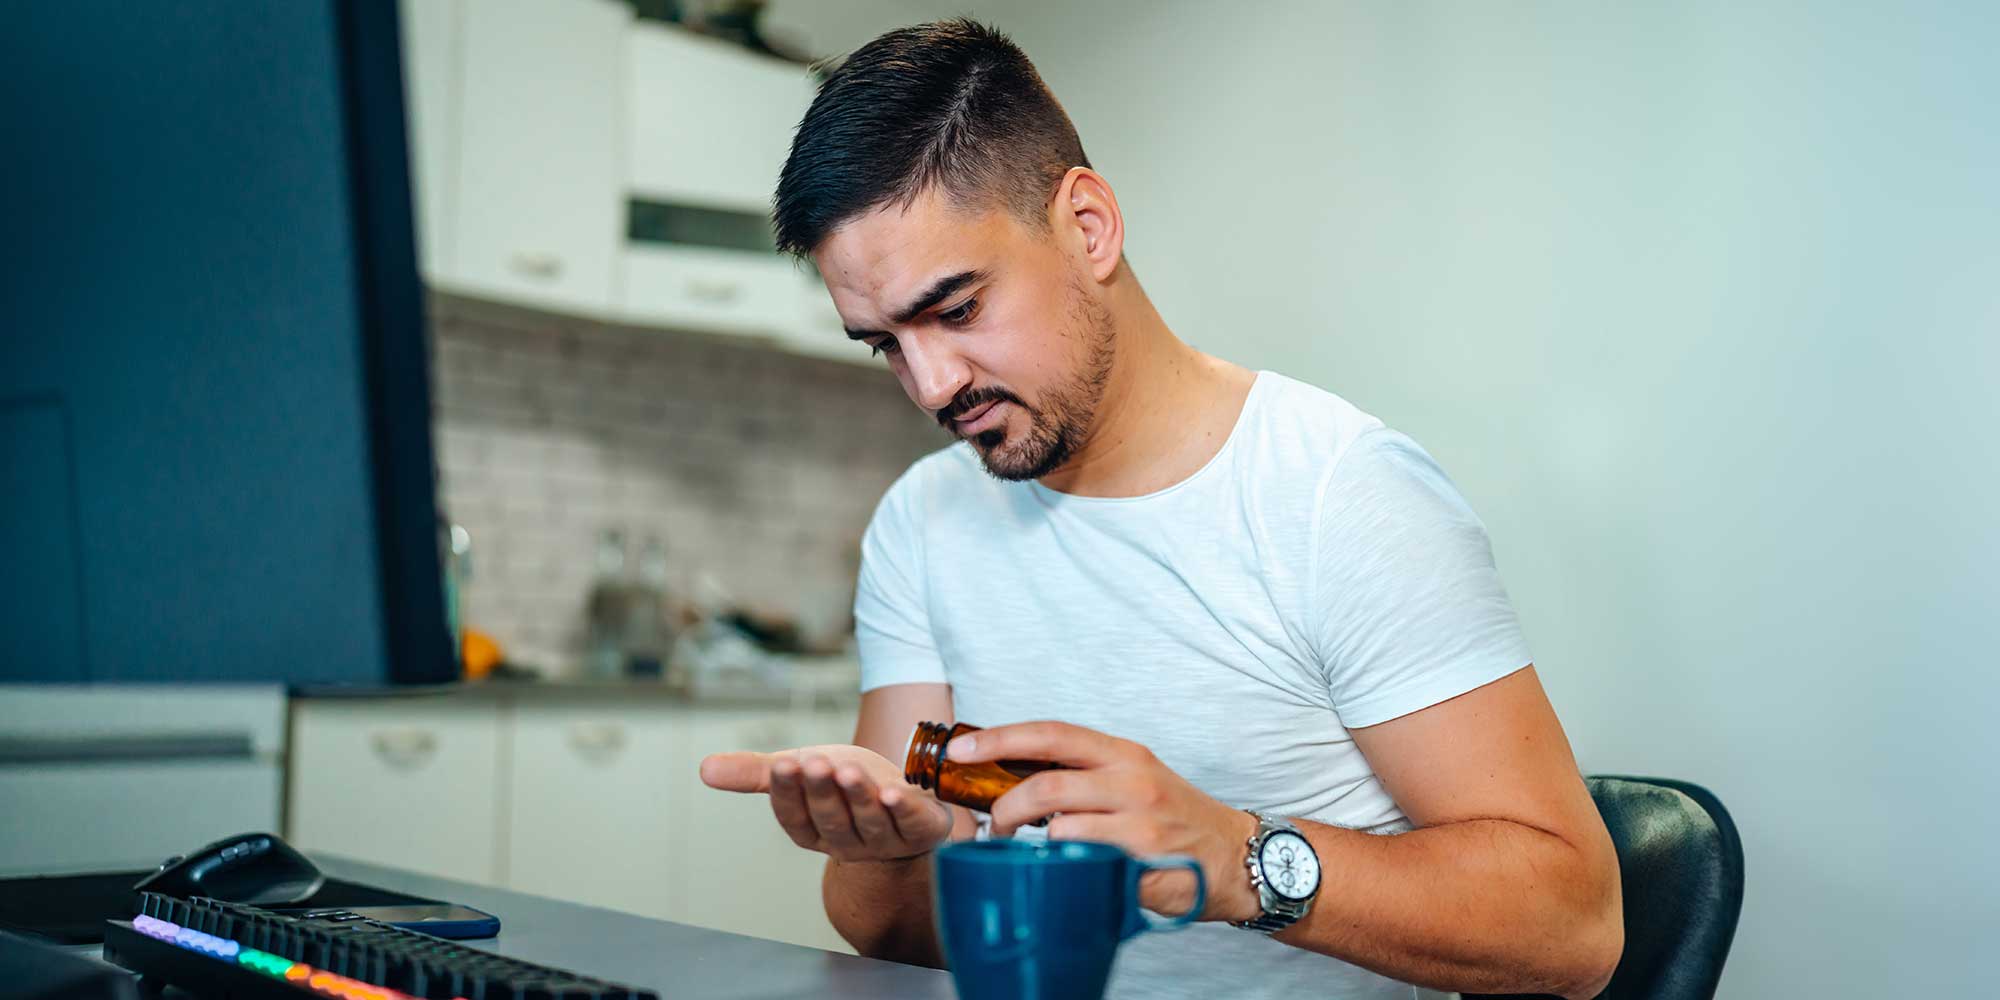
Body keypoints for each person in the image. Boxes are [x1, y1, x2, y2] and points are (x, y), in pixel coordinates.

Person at [699, 18, 1622, 1000]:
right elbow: (887, 927)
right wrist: (888, 850)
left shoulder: (1337, 493)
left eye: (957, 308)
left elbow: (1573, 924)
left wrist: (1234, 857)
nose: (928, 385)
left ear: (1087, 226)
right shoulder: (920, 522)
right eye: (882, 342)